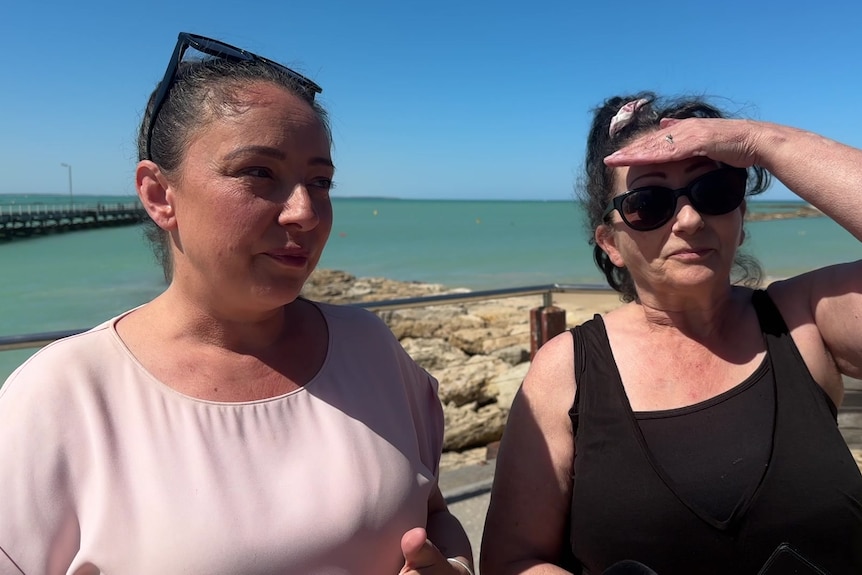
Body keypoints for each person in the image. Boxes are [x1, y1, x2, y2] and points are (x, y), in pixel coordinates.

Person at [0, 32, 473, 575]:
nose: (305, 213)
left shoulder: (370, 347)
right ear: (159, 195)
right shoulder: (63, 397)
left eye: (320, 181)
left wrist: (454, 566)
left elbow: (433, 511)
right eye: (258, 172)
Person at [480, 92, 862, 574]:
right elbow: (511, 560)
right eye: (648, 203)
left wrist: (763, 141)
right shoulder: (567, 370)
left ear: (740, 218)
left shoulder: (806, 321)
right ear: (611, 243)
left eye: (715, 191)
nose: (690, 219)